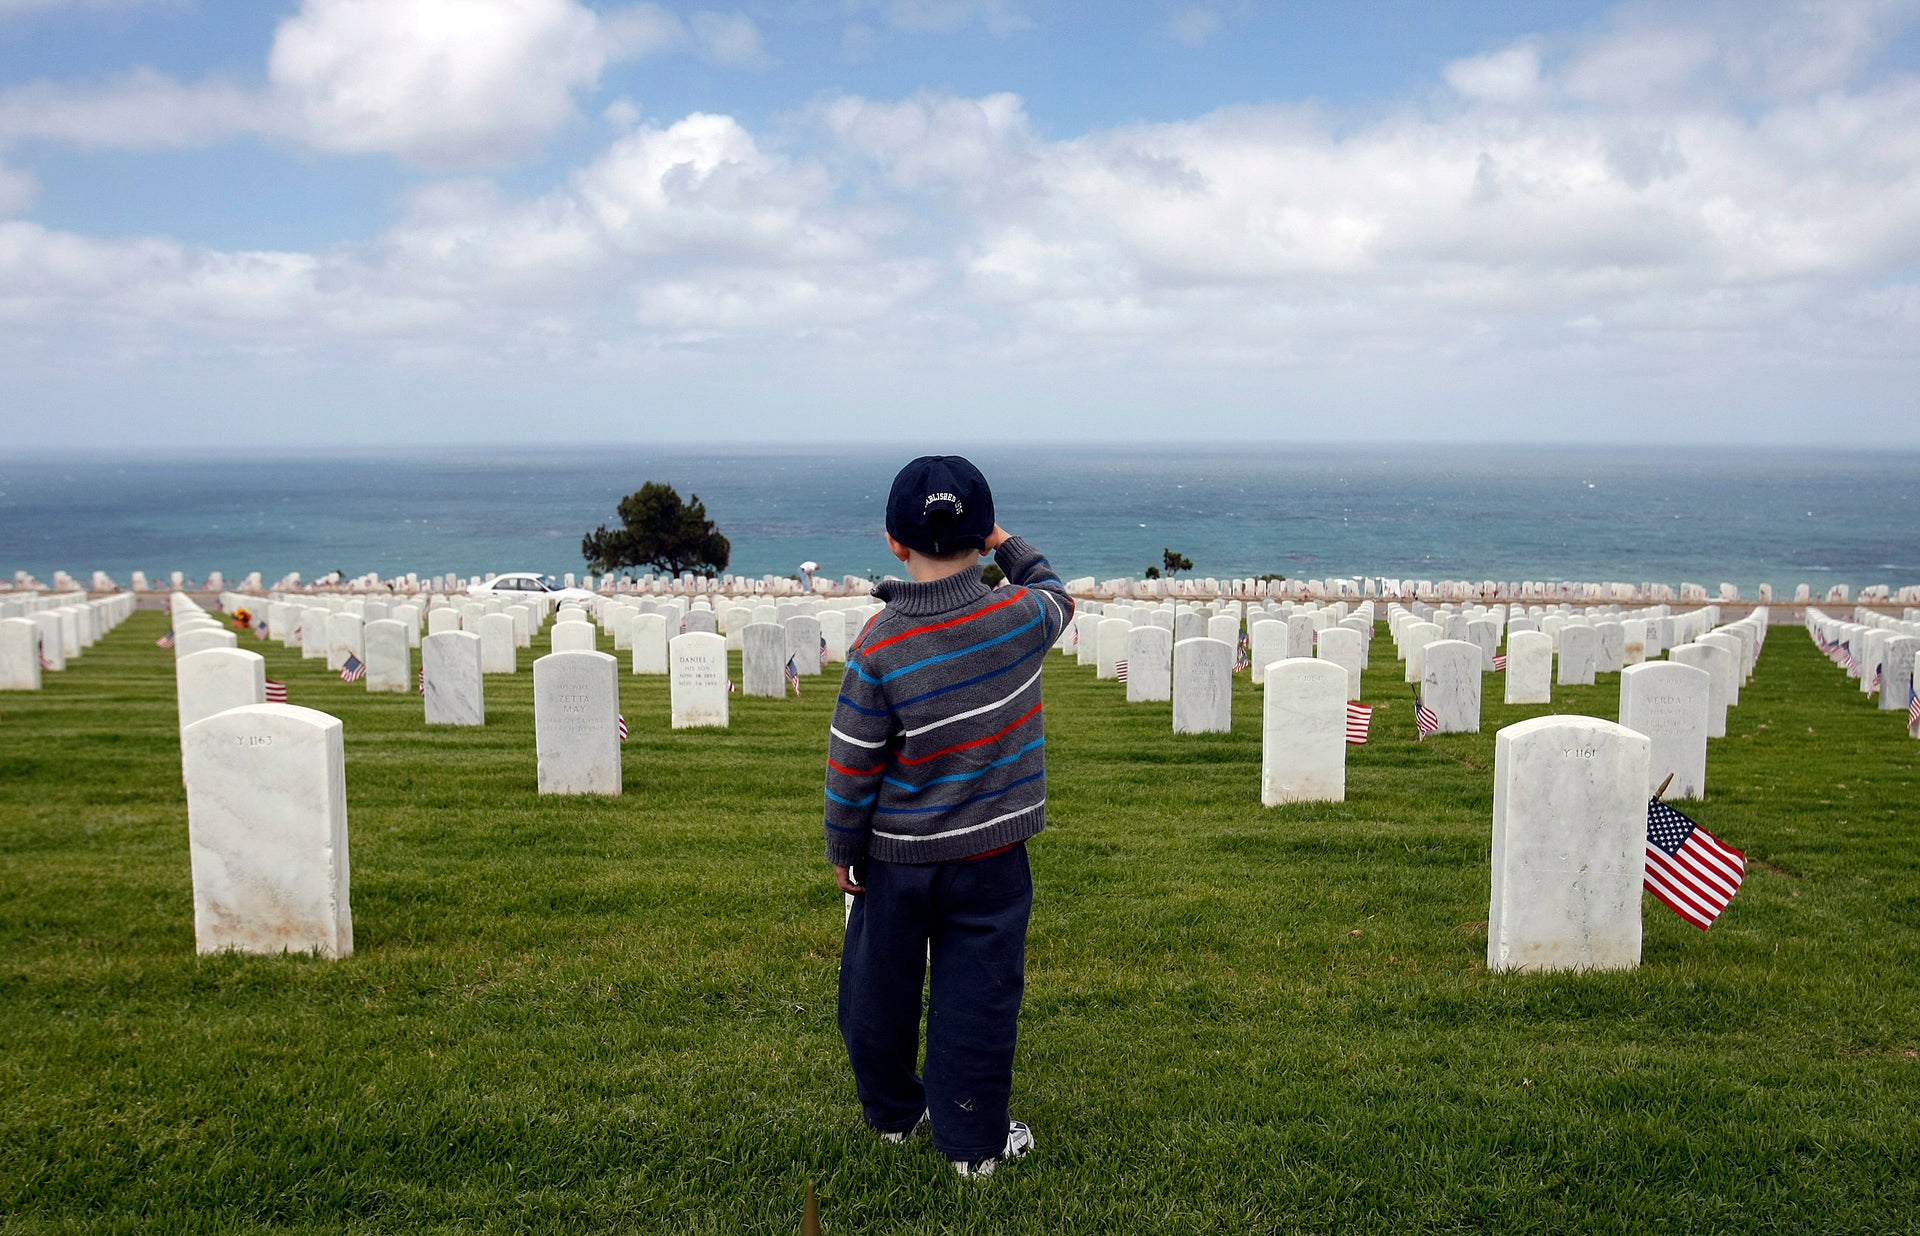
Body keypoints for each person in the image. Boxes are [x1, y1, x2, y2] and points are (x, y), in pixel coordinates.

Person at [824, 455, 1075, 1178]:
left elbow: (853, 761)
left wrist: (843, 843)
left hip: (896, 859)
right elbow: (1054, 590)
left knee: (878, 989)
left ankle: (896, 1115)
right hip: (993, 860)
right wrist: (1004, 542)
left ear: (894, 542)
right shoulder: (1020, 617)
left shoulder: (880, 643)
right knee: (979, 998)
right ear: (980, 531)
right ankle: (974, 1148)